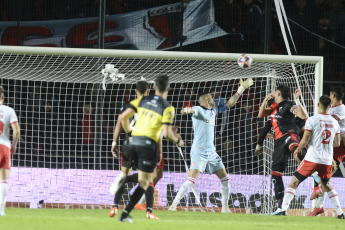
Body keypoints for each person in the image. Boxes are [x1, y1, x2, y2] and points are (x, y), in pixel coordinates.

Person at [168, 78, 254, 213]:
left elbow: (230, 104)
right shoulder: (198, 109)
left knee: (225, 179)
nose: (213, 97)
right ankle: (173, 205)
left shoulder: (213, 110)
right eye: (210, 96)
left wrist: (241, 89)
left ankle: (225, 209)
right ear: (206, 100)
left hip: (211, 152)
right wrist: (186, 110)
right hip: (199, 151)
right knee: (191, 180)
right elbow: (185, 111)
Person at [118, 75, 183, 223]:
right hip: (148, 145)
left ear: (153, 88)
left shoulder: (143, 100)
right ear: (168, 88)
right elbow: (166, 134)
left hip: (133, 143)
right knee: (146, 181)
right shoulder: (167, 107)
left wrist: (129, 134)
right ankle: (146, 209)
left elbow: (122, 118)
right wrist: (178, 140)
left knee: (145, 180)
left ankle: (125, 213)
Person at [273, 95, 345, 219]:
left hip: (312, 158)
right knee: (327, 185)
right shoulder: (335, 123)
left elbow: (305, 139)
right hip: (327, 160)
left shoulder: (312, 119)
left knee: (294, 182)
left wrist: (298, 149)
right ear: (330, 107)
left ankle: (283, 209)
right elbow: (337, 143)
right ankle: (340, 213)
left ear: (318, 105)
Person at [258, 85, 308, 214]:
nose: (273, 93)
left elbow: (303, 116)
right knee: (275, 175)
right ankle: (281, 209)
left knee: (294, 148)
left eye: (275, 92)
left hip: (290, 134)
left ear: (278, 93)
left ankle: (310, 169)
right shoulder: (274, 108)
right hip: (278, 142)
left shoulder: (288, 105)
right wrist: (265, 100)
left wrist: (297, 101)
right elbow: (261, 114)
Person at [108, 80, 150, 218]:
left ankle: (114, 207)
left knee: (124, 174)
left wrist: (114, 142)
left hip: (127, 144)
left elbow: (119, 123)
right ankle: (148, 210)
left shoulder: (127, 105)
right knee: (146, 178)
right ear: (148, 92)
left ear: (135, 91)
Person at [312, 86, 345, 208]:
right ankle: (319, 207)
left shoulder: (342, 109)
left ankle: (322, 206)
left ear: (333, 95)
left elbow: (331, 122)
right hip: (328, 145)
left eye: (330, 95)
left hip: (339, 147)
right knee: (324, 178)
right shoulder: (331, 108)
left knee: (324, 175)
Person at [0, 86, 20, 216]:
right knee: (3, 180)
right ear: (3, 97)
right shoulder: (9, 110)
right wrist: (14, 145)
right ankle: (1, 210)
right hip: (4, 146)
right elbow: (16, 130)